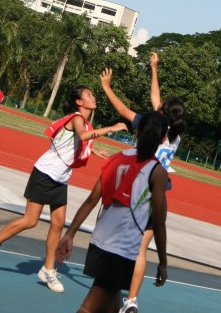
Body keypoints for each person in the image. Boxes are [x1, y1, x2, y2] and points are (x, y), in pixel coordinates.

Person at [0, 85, 127, 293]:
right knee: (30, 220)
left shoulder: (85, 123)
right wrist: (111, 128)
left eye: (93, 95)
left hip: (60, 179)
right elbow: (81, 136)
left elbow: (74, 145)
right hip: (45, 174)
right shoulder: (77, 119)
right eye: (89, 95)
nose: (93, 97)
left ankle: (48, 268)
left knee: (58, 222)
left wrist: (94, 152)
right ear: (79, 102)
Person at [56, 111, 169, 313]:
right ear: (163, 139)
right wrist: (163, 262)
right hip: (121, 249)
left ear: (137, 131)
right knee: (89, 307)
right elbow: (159, 222)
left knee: (110, 304)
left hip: (100, 240)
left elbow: (92, 199)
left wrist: (70, 233)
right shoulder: (157, 171)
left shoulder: (116, 159)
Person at [100, 52, 186, 313]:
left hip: (138, 190)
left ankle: (110, 286)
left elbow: (124, 111)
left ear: (162, 113)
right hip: (159, 194)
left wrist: (106, 87)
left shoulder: (150, 126)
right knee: (141, 249)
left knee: (119, 241)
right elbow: (157, 99)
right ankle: (132, 300)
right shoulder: (175, 136)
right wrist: (154, 68)